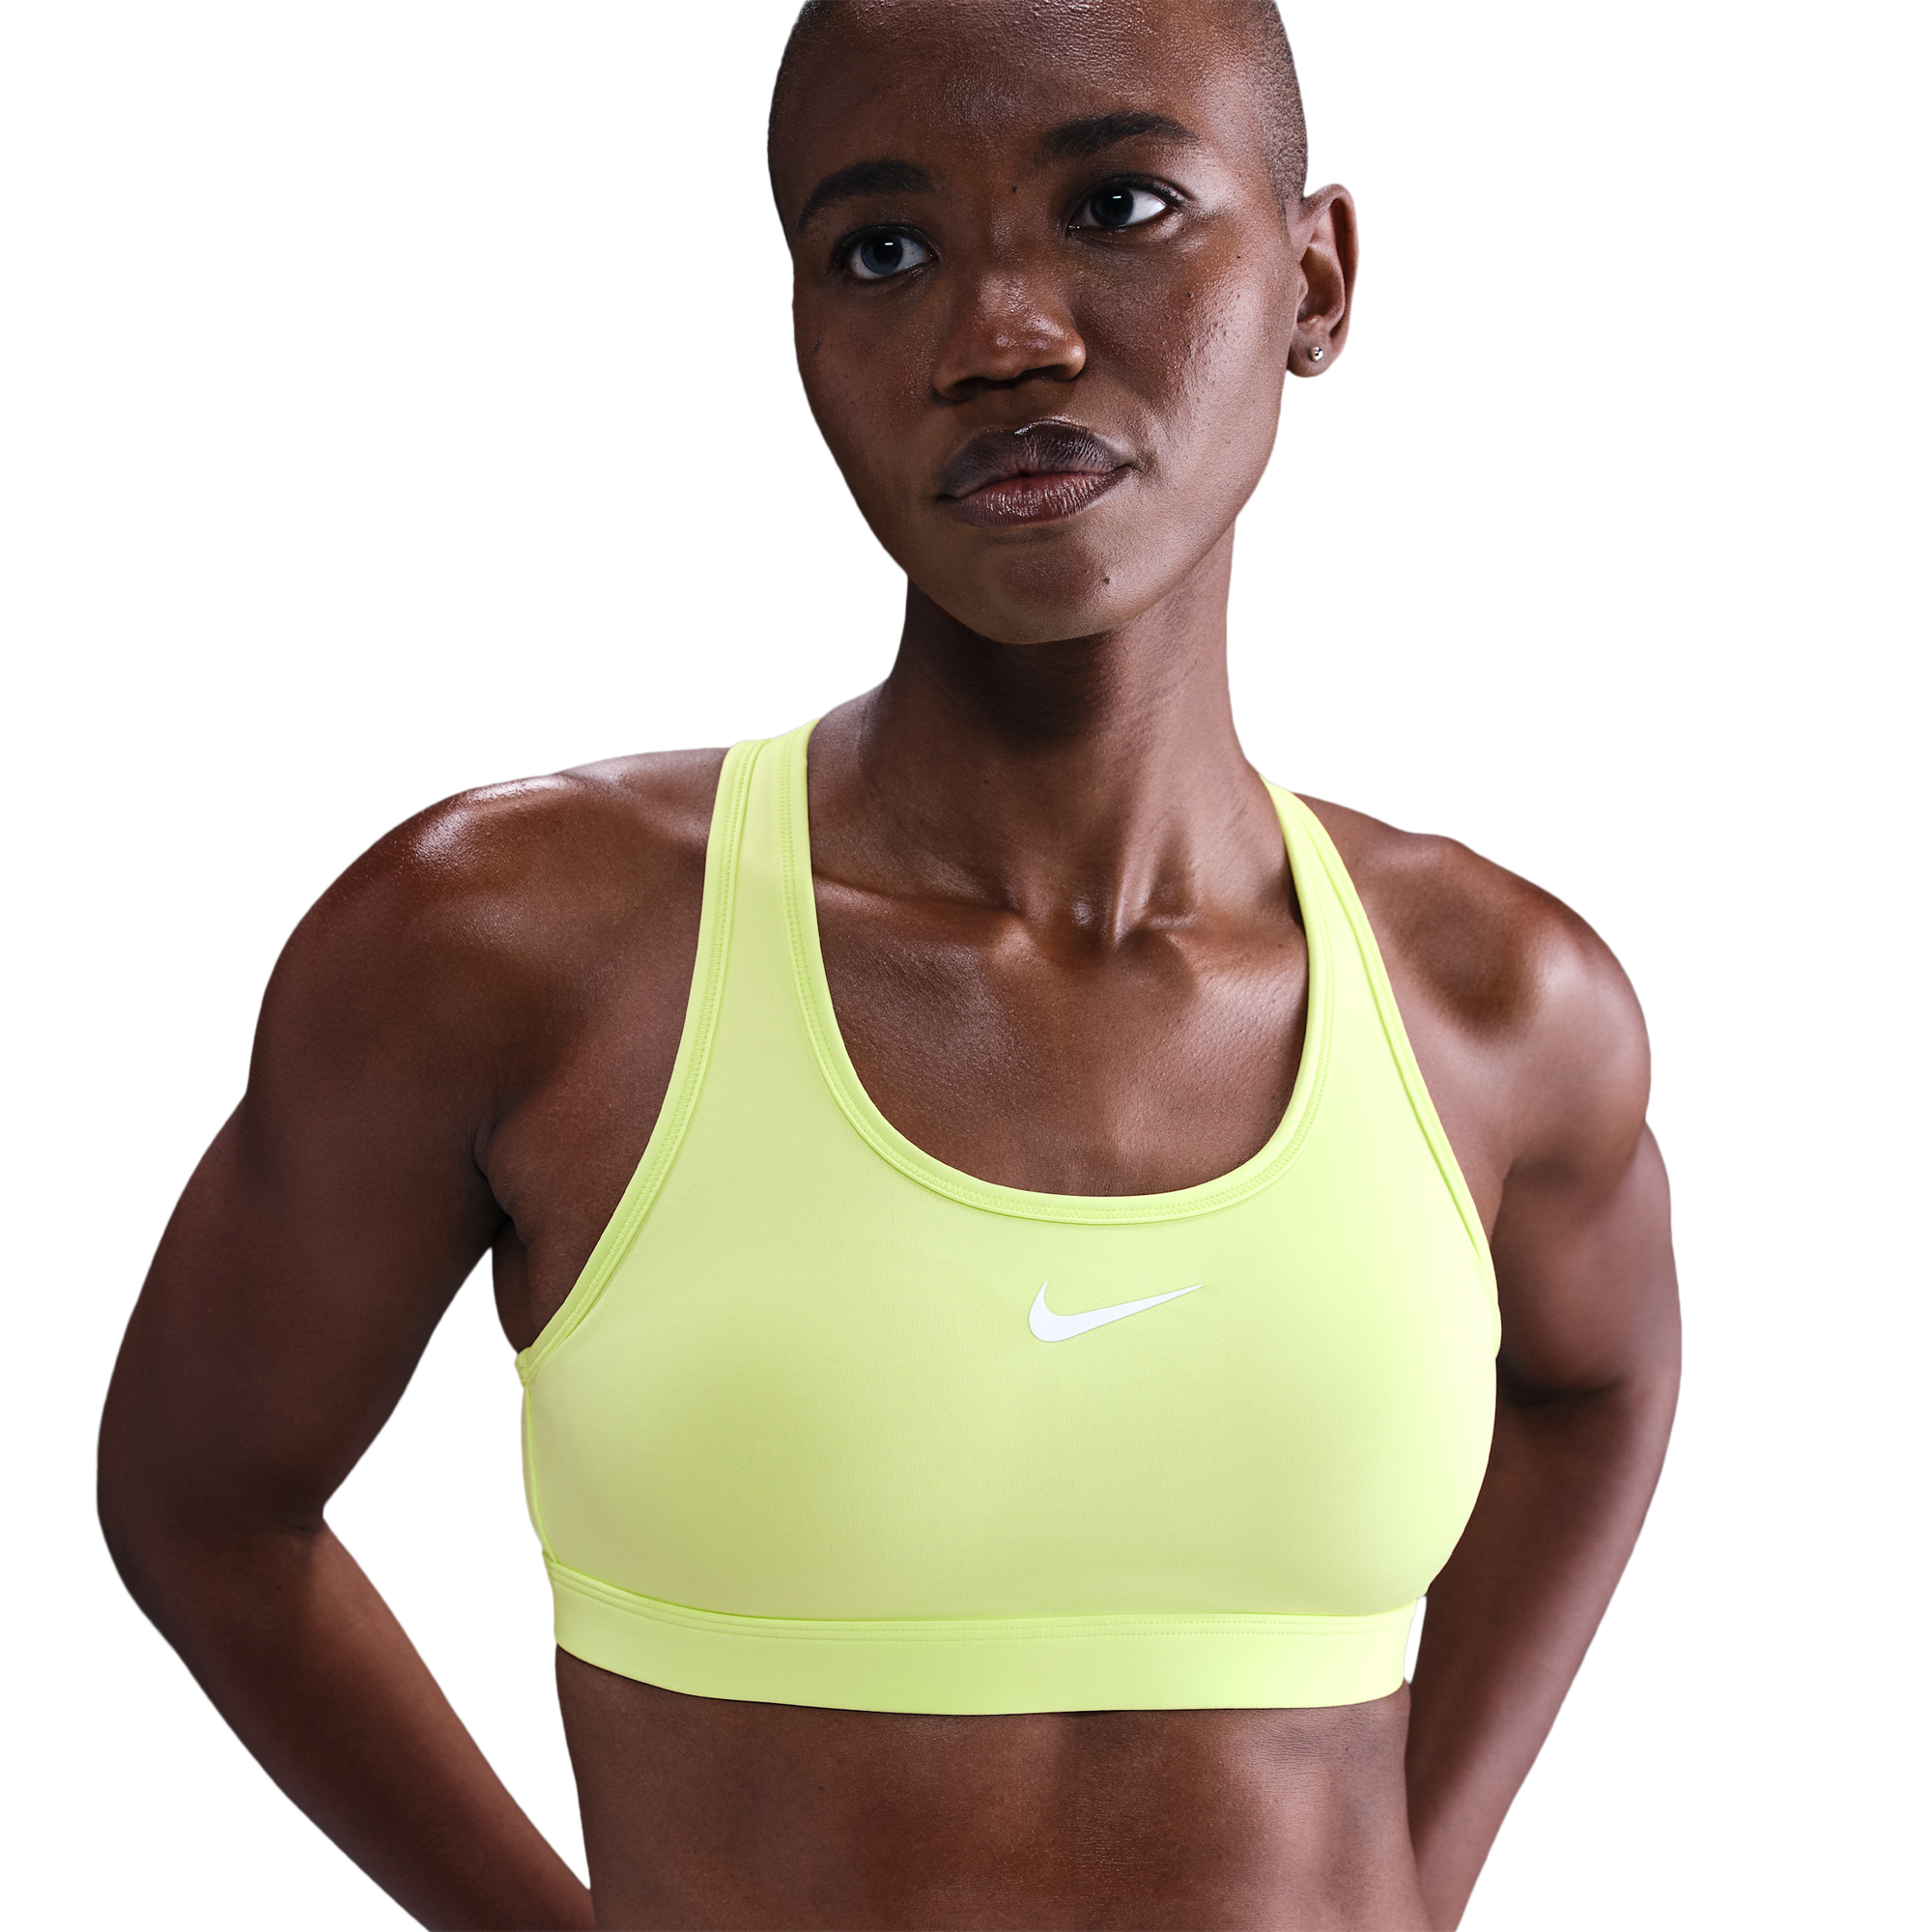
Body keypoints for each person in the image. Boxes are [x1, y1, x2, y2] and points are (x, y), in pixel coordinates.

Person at [94, 2, 1683, 1926]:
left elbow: (1598, 1388)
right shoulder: (514, 943)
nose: (1000, 334)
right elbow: (194, 1495)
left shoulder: (1500, 1002)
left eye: (1117, 205)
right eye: (882, 249)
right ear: (805, 350)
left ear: (1318, 280)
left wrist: (1422, 1875)